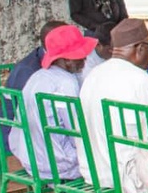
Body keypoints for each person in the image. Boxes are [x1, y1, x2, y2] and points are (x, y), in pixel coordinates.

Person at [78, 19, 148, 193]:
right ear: (140, 48)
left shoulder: (93, 74)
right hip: (125, 175)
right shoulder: (139, 79)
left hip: (93, 169)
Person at [10, 25, 97, 182]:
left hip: (30, 158)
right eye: (80, 56)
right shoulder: (66, 83)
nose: (85, 60)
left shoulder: (38, 76)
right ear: (65, 60)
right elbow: (75, 133)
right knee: (107, 158)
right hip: (59, 165)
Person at [0, 20, 68, 152]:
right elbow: (33, 114)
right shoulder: (29, 70)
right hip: (16, 134)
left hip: (36, 127)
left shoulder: (48, 58)